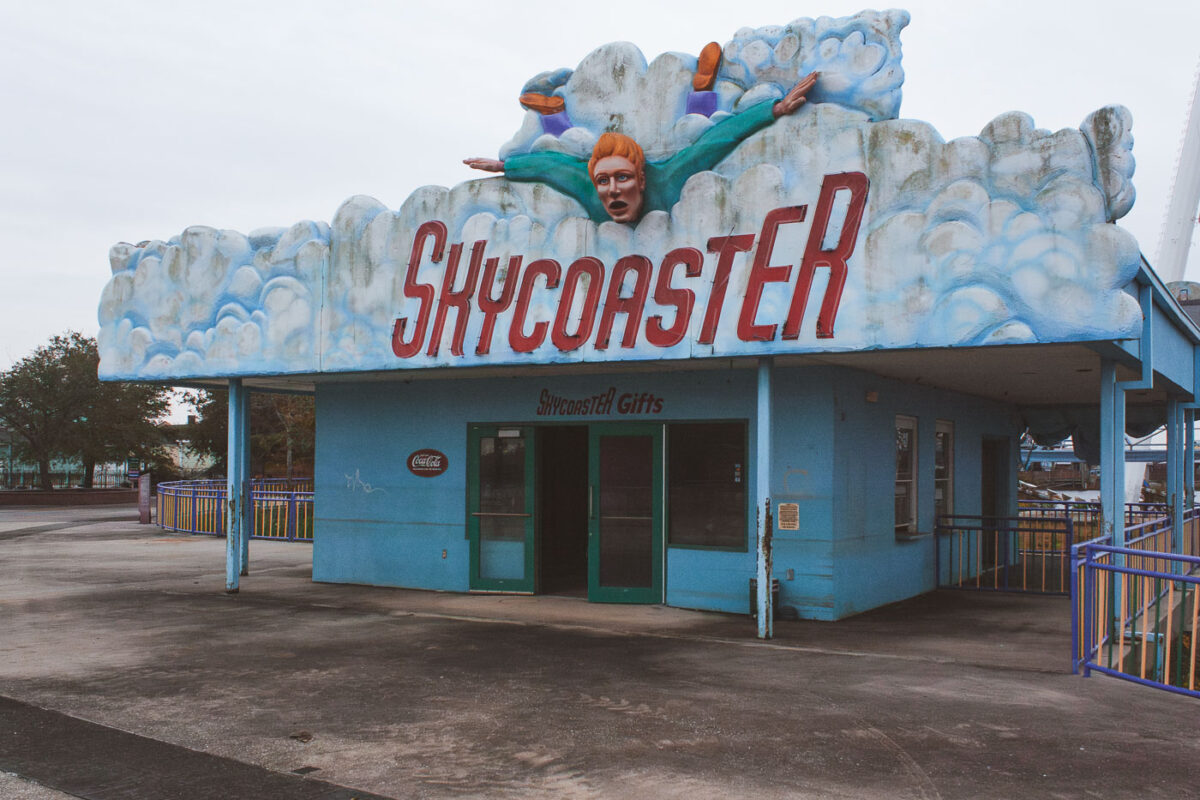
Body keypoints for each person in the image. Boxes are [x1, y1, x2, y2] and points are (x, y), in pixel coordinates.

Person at [464, 72, 818, 224]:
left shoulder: (668, 178)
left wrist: (773, 110)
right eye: (604, 181)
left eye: (622, 177)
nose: (613, 189)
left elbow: (715, 141)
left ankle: (702, 91)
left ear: (643, 178)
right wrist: (504, 167)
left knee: (695, 129)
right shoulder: (586, 187)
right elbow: (549, 165)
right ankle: (554, 112)